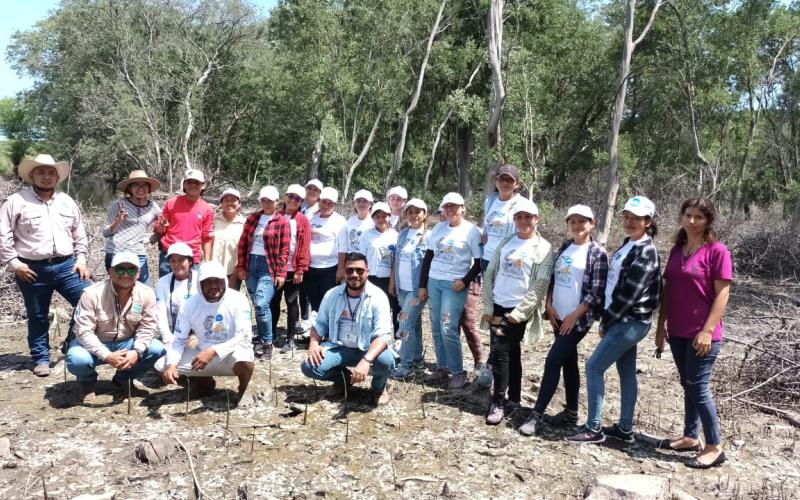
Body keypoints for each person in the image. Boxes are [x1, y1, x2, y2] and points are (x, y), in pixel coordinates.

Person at [566, 196, 661, 445]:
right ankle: (624, 429)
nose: (629, 221)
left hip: (628, 321)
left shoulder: (646, 253)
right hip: (621, 319)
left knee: (594, 366)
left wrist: (606, 322)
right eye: (627, 216)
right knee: (626, 371)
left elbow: (628, 296)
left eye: (636, 218)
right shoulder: (629, 244)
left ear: (647, 221)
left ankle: (593, 427)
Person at [655, 198, 732, 469]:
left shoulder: (717, 251)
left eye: (698, 216)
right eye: (688, 215)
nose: (692, 221)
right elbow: (668, 290)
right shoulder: (678, 249)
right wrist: (660, 327)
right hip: (677, 330)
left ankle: (714, 446)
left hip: (703, 333)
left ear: (708, 221)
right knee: (687, 383)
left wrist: (708, 330)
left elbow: (723, 293)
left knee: (698, 387)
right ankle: (690, 436)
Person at [519, 205, 607, 435]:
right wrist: (548, 305)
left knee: (552, 361)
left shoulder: (597, 253)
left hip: (577, 319)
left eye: (582, 222)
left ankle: (537, 414)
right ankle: (571, 412)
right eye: (573, 222)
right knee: (568, 362)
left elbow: (597, 291)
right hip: (557, 316)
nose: (577, 226)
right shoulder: (566, 247)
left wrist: (574, 316)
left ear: (592, 223)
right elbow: (553, 278)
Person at [0, 154, 90, 376]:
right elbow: (3, 234)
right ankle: (40, 358)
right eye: (41, 172)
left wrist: (81, 259)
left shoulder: (67, 201)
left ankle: (71, 342)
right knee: (37, 315)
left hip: (67, 266)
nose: (46, 176)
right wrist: (14, 263)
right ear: (32, 175)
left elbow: (79, 234)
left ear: (57, 177)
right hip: (31, 269)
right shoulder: (16, 201)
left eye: (51, 172)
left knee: (89, 300)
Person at [480, 199, 554, 424]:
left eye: (528, 217)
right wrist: (489, 304)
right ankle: (513, 398)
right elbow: (491, 271)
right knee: (510, 353)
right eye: (519, 217)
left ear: (536, 219)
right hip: (499, 304)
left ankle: (498, 402)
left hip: (518, 309)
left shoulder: (543, 248)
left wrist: (520, 312)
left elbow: (540, 284)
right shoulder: (507, 242)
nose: (523, 221)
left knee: (500, 351)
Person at [67, 252, 164, 402]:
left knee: (156, 348)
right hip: (95, 343)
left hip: (127, 342)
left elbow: (147, 328)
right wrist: (106, 355)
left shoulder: (147, 294)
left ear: (138, 274)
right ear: (110, 271)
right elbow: (83, 331)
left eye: (131, 270)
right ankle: (87, 383)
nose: (125, 274)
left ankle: (123, 379)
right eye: (120, 269)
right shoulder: (91, 294)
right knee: (77, 359)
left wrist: (137, 352)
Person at [300, 252, 395, 406]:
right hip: (339, 347)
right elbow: (320, 324)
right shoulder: (332, 295)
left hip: (367, 349)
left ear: (367, 272)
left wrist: (366, 360)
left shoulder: (378, 296)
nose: (354, 275)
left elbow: (383, 335)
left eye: (359, 270)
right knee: (308, 366)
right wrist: (313, 344)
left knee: (386, 360)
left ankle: (379, 388)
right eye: (349, 270)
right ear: (343, 272)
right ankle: (344, 380)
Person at [159, 261, 256, 408]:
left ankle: (243, 389)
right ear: (200, 284)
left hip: (230, 354)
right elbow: (178, 339)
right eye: (207, 282)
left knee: (245, 360)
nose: (213, 286)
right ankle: (204, 383)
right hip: (201, 353)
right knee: (161, 366)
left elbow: (244, 336)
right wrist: (171, 364)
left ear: (224, 280)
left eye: (217, 280)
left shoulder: (238, 299)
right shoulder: (190, 304)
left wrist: (214, 350)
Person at [418, 192, 482, 390]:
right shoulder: (438, 228)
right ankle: (442, 367)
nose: (450, 210)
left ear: (463, 208)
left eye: (454, 206)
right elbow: (428, 257)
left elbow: (479, 262)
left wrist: (464, 281)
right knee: (436, 327)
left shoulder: (472, 231)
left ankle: (458, 372)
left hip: (454, 285)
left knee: (448, 327)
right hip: (434, 281)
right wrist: (423, 285)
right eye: (447, 207)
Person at [237, 186, 290, 360]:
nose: (266, 203)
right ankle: (261, 338)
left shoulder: (282, 221)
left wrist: (281, 272)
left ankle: (268, 343)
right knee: (257, 304)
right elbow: (243, 242)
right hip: (251, 263)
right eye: (263, 200)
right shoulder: (253, 218)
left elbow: (284, 249)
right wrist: (241, 266)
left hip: (269, 266)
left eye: (270, 200)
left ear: (277, 202)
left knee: (261, 304)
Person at [389, 198, 430, 379]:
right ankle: (416, 359)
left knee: (404, 322)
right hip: (402, 287)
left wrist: (424, 287)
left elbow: (429, 264)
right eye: (410, 212)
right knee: (415, 323)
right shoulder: (403, 234)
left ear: (424, 214)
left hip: (417, 289)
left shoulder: (429, 235)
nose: (414, 215)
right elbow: (397, 259)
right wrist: (393, 282)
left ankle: (405, 365)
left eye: (418, 212)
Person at [270, 184, 311, 353]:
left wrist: (300, 269)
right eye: (291, 196)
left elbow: (304, 245)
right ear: (285, 197)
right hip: (275, 267)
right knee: (273, 301)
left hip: (292, 268)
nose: (293, 201)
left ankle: (290, 338)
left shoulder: (302, 220)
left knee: (292, 301)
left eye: (297, 199)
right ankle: (271, 334)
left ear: (301, 201)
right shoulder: (275, 216)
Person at [102, 170, 162, 285]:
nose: (141, 188)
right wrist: (118, 220)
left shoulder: (153, 207)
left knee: (143, 289)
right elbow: (105, 233)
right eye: (136, 185)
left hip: (138, 253)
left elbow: (166, 224)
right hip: (116, 252)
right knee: (118, 289)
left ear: (149, 188)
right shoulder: (119, 204)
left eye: (144, 185)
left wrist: (154, 237)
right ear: (129, 188)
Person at [153, 169, 214, 277]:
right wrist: (161, 226)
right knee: (167, 290)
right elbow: (159, 229)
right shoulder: (171, 203)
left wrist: (208, 262)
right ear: (184, 185)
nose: (193, 185)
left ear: (203, 185)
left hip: (192, 257)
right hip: (169, 255)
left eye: (197, 182)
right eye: (189, 182)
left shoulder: (207, 209)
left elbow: (206, 238)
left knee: (191, 292)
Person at [356, 202, 400, 329]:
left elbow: (397, 260)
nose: (380, 219)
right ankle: (371, 337)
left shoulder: (395, 235)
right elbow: (361, 259)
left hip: (390, 279)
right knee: (371, 309)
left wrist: (394, 282)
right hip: (371, 278)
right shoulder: (366, 235)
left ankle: (397, 338)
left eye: (384, 216)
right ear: (373, 218)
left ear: (389, 216)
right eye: (377, 216)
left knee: (394, 308)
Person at [304, 187, 347, 314]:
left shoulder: (340, 221)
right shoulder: (311, 217)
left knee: (329, 302)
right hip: (310, 267)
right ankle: (318, 330)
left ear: (335, 204)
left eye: (330, 203)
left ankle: (330, 331)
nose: (326, 205)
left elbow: (343, 246)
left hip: (330, 268)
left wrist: (340, 269)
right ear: (319, 200)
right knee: (314, 301)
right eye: (324, 202)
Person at [154, 242, 199, 347]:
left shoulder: (200, 280)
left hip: (195, 335)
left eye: (181, 260)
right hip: (171, 333)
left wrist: (198, 336)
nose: (177, 264)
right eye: (173, 260)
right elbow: (160, 313)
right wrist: (167, 339)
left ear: (190, 261)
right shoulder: (162, 282)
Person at [212, 188, 246, 290]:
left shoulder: (245, 224)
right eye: (226, 200)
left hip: (233, 272)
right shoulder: (213, 220)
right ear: (221, 204)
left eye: (233, 200)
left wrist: (235, 276)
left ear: (239, 204)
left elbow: (244, 251)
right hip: (212, 271)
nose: (230, 203)